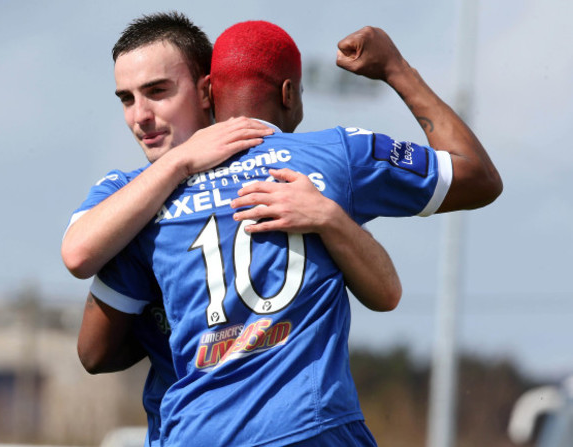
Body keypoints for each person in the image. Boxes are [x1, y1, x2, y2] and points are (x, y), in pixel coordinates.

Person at [84, 19, 502, 446]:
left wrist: (183, 320)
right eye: (127, 99)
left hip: (193, 431)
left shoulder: (142, 202)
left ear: (209, 91)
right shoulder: (334, 154)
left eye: (156, 91)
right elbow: (478, 177)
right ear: (289, 94)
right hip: (307, 426)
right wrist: (396, 68)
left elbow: (93, 351)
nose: (140, 115)